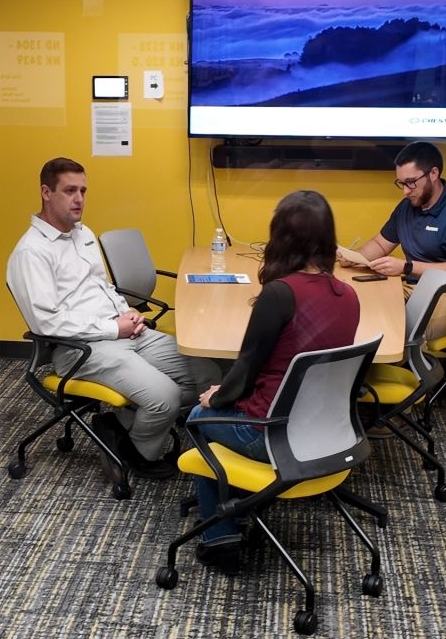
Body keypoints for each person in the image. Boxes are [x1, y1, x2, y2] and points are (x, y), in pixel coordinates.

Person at [7, 157, 220, 479]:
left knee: (207, 373)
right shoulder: (32, 252)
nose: (79, 199)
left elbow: (101, 285)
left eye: (83, 190)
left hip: (123, 331)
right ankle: (135, 452)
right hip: (82, 349)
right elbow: (45, 323)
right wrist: (112, 328)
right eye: (69, 190)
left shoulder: (83, 233)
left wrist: (126, 311)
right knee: (165, 397)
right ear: (46, 192)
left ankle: (116, 425)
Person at [187, 190, 361, 575]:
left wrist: (217, 397)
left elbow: (246, 372)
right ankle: (245, 502)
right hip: (324, 432)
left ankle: (220, 537)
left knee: (197, 417)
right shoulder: (348, 295)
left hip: (271, 432)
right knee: (219, 406)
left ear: (281, 238)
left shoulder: (279, 294)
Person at [339, 141, 446, 342]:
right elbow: (380, 244)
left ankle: (405, 369)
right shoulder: (407, 207)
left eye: (411, 182)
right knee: (361, 306)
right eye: (401, 183)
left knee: (396, 328)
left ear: (433, 174)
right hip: (414, 288)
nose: (405, 191)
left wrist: (407, 267)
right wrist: (354, 257)